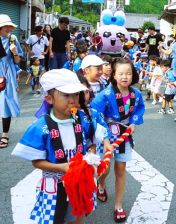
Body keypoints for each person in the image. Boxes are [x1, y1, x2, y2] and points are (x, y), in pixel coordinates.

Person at [11, 69, 96, 223]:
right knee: (54, 217)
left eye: (76, 94)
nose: (73, 100)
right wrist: (63, 167)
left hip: (78, 182)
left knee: (77, 214)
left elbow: (91, 144)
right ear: (49, 99)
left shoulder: (83, 119)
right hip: (54, 185)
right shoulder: (40, 127)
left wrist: (91, 156)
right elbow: (36, 162)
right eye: (66, 95)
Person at [90, 58, 145, 223]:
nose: (124, 77)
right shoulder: (106, 94)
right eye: (120, 73)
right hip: (105, 136)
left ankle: (118, 205)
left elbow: (140, 107)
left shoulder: (136, 93)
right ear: (113, 75)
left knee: (121, 170)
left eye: (128, 73)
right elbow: (94, 113)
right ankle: (101, 184)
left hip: (124, 135)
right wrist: (105, 138)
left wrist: (134, 121)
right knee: (104, 169)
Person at [0, 14, 23, 148]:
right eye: (7, 26)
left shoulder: (13, 40)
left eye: (10, 26)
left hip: (7, 75)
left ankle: (5, 134)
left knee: (5, 104)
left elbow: (17, 61)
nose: (9, 28)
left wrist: (14, 52)